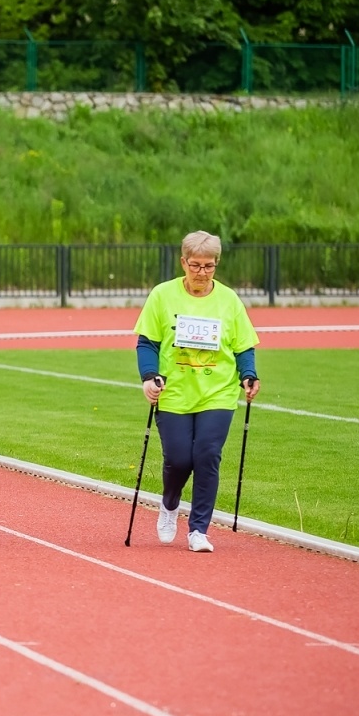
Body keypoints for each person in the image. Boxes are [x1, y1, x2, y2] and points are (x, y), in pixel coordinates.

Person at [135, 230, 260, 552]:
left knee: (207, 456)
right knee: (178, 459)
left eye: (208, 266)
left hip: (217, 392)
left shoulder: (229, 300)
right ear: (183, 262)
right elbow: (147, 342)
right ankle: (170, 503)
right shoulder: (163, 296)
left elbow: (244, 345)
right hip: (174, 391)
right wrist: (149, 377)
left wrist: (248, 374)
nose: (201, 273)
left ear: (216, 264)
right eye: (195, 265)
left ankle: (199, 530)